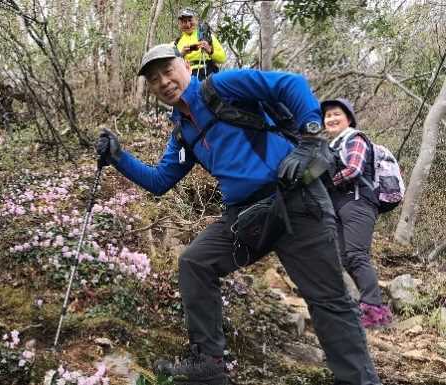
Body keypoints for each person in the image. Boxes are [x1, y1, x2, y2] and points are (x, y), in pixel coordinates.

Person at [96, 44, 381, 385]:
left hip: (295, 200)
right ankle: (210, 366)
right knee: (195, 262)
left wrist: (310, 140)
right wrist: (118, 157)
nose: (164, 82)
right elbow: (159, 181)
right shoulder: (182, 131)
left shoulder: (222, 86)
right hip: (246, 217)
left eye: (168, 71)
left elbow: (290, 84)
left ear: (186, 66)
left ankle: (358, 380)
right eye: (154, 80)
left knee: (328, 300)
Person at [322, 98, 393, 329]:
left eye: (336, 114)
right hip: (340, 206)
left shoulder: (356, 138)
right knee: (344, 258)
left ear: (349, 119)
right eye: (328, 116)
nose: (331, 119)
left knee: (356, 255)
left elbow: (353, 169)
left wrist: (327, 183)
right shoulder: (333, 147)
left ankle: (374, 311)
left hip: (359, 203)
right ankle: (364, 306)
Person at [174, 7, 226, 80]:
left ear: (196, 20)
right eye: (184, 22)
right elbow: (172, 66)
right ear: (179, 24)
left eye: (190, 20)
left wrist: (210, 51)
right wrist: (181, 54)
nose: (188, 25)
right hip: (187, 77)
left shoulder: (206, 36)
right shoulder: (177, 42)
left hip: (207, 73)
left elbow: (222, 58)